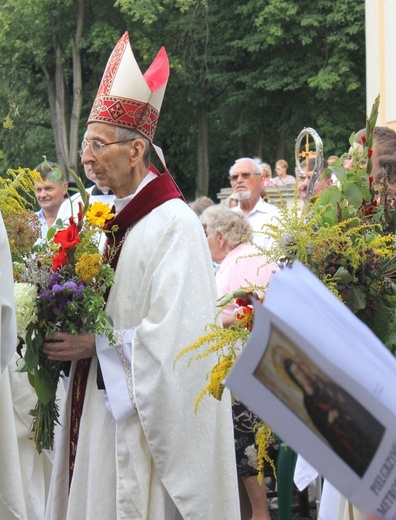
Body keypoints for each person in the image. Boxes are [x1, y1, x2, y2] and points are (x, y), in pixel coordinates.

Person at [43, 32, 239, 520]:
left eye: (98, 145)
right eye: (86, 144)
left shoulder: (175, 224)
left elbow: (181, 341)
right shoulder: (110, 217)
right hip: (96, 410)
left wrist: (97, 346)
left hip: (137, 425)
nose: (86, 158)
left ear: (136, 152)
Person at [200, 204, 277, 520]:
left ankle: (260, 515)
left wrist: (212, 319)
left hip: (247, 370)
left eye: (204, 233)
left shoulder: (245, 261)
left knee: (246, 450)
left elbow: (253, 311)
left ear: (219, 236)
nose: (203, 240)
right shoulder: (241, 257)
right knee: (238, 454)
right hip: (242, 366)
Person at [229, 157, 280, 251]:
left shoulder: (277, 217)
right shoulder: (225, 218)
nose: (239, 180)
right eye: (234, 177)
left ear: (261, 179)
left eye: (245, 175)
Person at [34, 161, 68, 240]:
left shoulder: (76, 219)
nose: (43, 195)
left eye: (48, 189)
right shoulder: (27, 225)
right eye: (38, 190)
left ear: (64, 188)